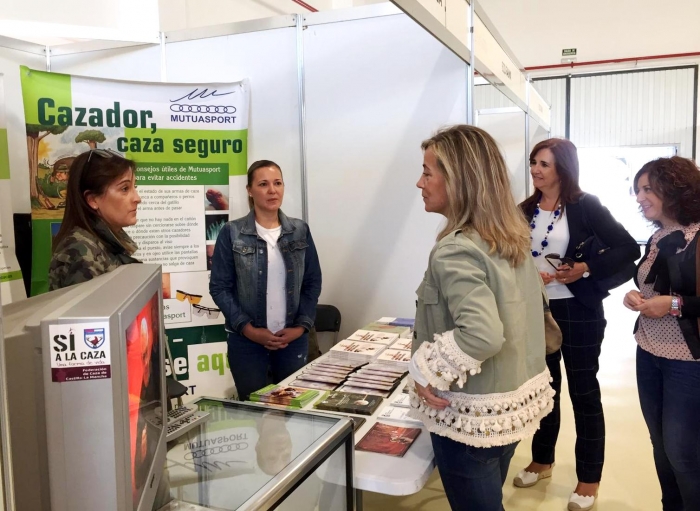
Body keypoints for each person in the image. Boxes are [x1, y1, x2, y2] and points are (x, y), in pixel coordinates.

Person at [408, 125, 555, 511]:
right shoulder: (508, 237)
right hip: (508, 405)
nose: (419, 182)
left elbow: (483, 335)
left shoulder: (455, 249)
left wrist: (424, 371)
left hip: (471, 411)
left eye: (427, 172)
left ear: (458, 180)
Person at [514, 138, 640, 510]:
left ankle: (588, 478)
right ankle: (542, 459)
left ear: (563, 169)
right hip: (537, 312)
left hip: (579, 312)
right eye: (534, 162)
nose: (536, 170)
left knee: (583, 393)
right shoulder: (524, 209)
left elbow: (627, 248)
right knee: (544, 390)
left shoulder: (586, 207)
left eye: (545, 164)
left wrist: (585, 268)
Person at [623, 157, 700, 511]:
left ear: (674, 188)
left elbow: (679, 299)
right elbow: (652, 286)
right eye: (637, 189)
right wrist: (637, 297)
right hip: (649, 352)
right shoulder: (658, 236)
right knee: (660, 445)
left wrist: (673, 305)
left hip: (688, 361)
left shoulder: (697, 234)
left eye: (647, 188)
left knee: (683, 452)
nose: (639, 197)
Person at [210, 160, 322, 401]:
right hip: (247, 344)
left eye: (277, 183)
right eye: (263, 184)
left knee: (294, 415)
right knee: (257, 413)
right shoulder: (232, 232)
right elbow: (219, 287)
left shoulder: (300, 230)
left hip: (292, 341)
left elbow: (312, 282)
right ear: (250, 190)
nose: (272, 190)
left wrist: (300, 327)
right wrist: (249, 329)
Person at [49, 149, 141, 291]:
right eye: (125, 189)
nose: (137, 199)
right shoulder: (80, 252)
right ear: (92, 200)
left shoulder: (107, 241)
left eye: (134, 187)